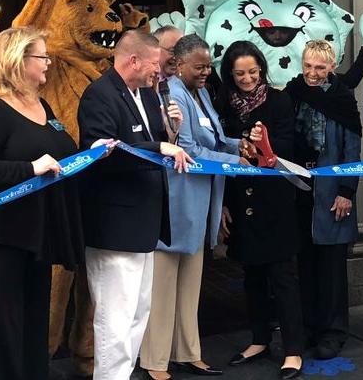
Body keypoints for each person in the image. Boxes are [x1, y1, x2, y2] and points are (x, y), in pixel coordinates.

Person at [0, 27, 87, 380]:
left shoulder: (40, 103)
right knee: (1, 331)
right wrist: (30, 168)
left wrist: (94, 151)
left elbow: (62, 149)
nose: (48, 63)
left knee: (31, 326)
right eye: (42, 56)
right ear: (18, 60)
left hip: (32, 235)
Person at [77, 29, 191, 380]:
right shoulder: (99, 96)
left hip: (142, 224)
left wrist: (171, 133)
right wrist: (160, 148)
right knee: (116, 318)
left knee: (138, 314)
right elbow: (105, 152)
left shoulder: (144, 94)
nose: (160, 70)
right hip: (114, 227)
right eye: (155, 63)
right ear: (134, 60)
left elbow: (153, 143)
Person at [139, 34, 246, 379]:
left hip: (201, 201)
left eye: (209, 65)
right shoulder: (170, 92)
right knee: (164, 283)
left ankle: (188, 352)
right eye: (199, 67)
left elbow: (213, 138)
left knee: (191, 283)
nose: (206, 72)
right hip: (178, 200)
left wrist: (239, 145)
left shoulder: (200, 93)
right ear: (179, 63)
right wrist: (236, 162)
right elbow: (189, 150)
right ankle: (155, 360)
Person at [217, 40, 304, 380]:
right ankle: (259, 338)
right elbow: (218, 148)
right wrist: (223, 201)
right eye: (239, 74)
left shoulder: (279, 100)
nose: (247, 79)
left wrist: (263, 143)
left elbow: (289, 146)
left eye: (253, 72)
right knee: (251, 274)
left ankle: (294, 350)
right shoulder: (222, 102)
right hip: (241, 199)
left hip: (275, 201)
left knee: (283, 277)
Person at [285, 39, 362, 360]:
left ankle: (333, 332)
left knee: (331, 267)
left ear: (331, 67)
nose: (313, 73)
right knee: (304, 264)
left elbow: (352, 149)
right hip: (298, 191)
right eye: (308, 66)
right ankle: (308, 328)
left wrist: (347, 191)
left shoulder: (342, 99)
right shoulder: (291, 92)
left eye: (320, 67)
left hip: (332, 193)